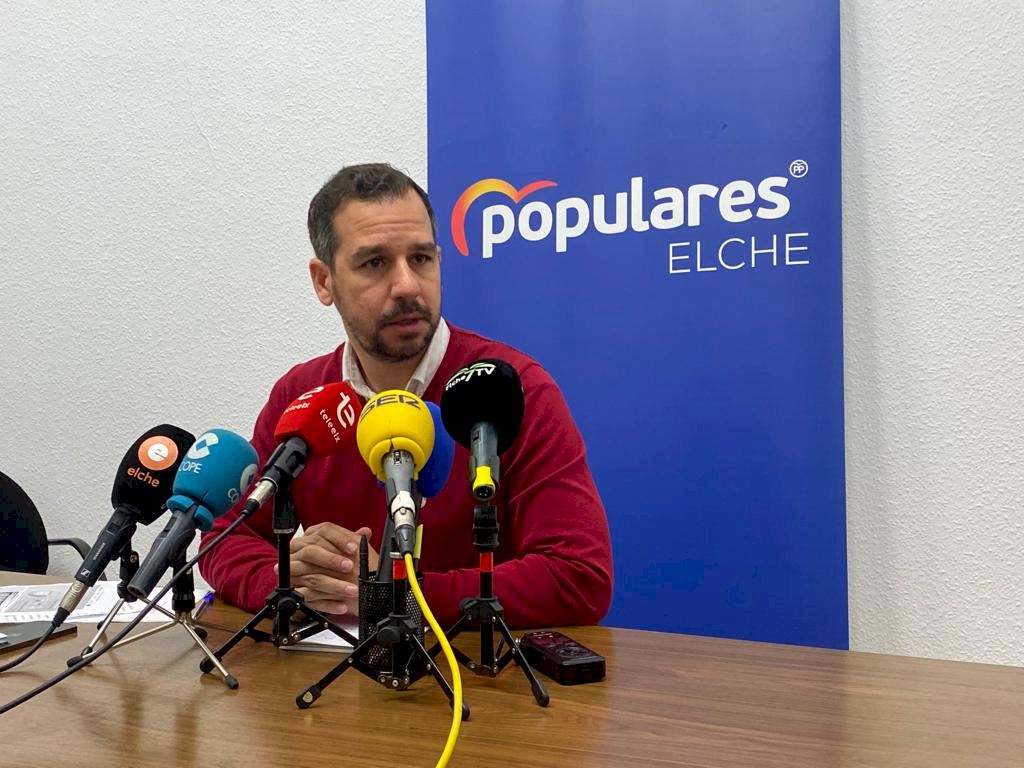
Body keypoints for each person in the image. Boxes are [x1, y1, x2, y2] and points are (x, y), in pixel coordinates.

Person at [199, 163, 612, 628]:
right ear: (324, 281)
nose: (407, 286)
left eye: (420, 259)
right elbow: (223, 539)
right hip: (338, 668)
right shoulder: (301, 396)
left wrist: (393, 594)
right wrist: (285, 581)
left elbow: (579, 577)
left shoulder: (510, 389)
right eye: (375, 263)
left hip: (476, 669)